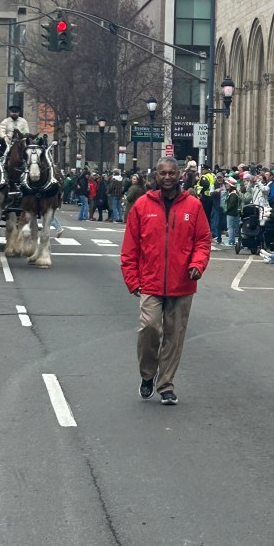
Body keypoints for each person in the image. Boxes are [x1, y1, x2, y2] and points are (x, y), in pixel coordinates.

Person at [120, 156, 211, 406]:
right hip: (149, 281)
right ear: (156, 176)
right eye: (163, 173)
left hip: (182, 283)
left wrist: (197, 265)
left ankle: (166, 384)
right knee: (149, 328)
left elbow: (203, 241)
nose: (168, 177)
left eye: (172, 173)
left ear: (179, 175)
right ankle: (147, 374)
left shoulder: (193, 206)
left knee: (174, 336)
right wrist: (132, 279)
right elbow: (130, 247)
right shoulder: (142, 205)